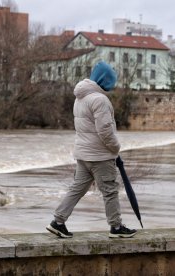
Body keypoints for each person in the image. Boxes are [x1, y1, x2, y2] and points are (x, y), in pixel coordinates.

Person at [46, 61, 137, 239]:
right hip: (100, 156)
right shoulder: (100, 99)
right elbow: (105, 131)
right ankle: (116, 227)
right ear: (106, 80)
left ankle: (57, 222)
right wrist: (116, 148)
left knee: (77, 189)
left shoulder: (80, 97)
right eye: (112, 80)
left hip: (83, 153)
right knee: (110, 191)